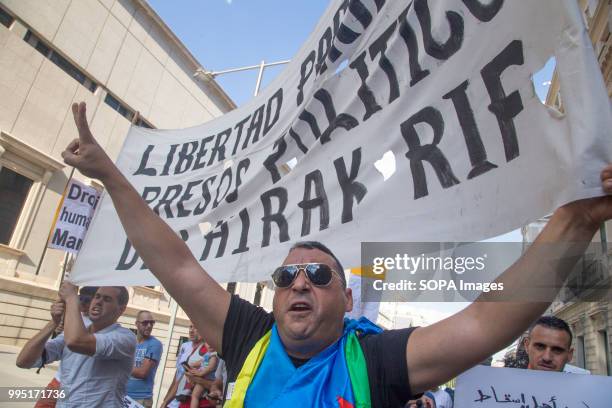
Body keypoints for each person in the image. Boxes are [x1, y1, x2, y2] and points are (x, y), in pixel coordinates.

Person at [62, 101, 612, 406]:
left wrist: (578, 218)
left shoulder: (376, 362)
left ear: (347, 298)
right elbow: (175, 262)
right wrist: (111, 176)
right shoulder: (249, 339)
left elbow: (485, 321)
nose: (299, 282)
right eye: (288, 275)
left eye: (317, 274)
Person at [16, 284, 136, 407]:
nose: (99, 302)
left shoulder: (125, 338)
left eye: (107, 299)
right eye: (97, 297)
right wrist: (54, 322)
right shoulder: (71, 334)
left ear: (121, 309)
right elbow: (23, 361)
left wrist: (71, 298)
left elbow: (76, 341)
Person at [34, 286, 98, 408]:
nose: (82, 302)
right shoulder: (72, 316)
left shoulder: (98, 324)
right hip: (58, 381)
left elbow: (75, 341)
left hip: (80, 389)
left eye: (87, 300)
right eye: (80, 298)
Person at [126, 310, 163, 407]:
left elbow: (142, 373)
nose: (149, 326)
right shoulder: (130, 342)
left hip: (140, 399)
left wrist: (119, 365)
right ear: (136, 324)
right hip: (123, 394)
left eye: (152, 323)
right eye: (145, 322)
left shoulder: (155, 344)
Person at [161, 323, 201, 408]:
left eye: (196, 327)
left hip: (186, 401)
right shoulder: (184, 346)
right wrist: (166, 400)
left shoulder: (206, 350)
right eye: (190, 327)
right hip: (172, 401)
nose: (191, 330)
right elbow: (178, 374)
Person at [187, 343, 218, 408]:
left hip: (208, 378)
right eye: (207, 343)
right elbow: (201, 362)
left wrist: (200, 373)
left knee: (195, 395)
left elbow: (211, 367)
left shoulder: (214, 354)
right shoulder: (208, 353)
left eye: (211, 342)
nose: (210, 345)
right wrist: (192, 364)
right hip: (205, 376)